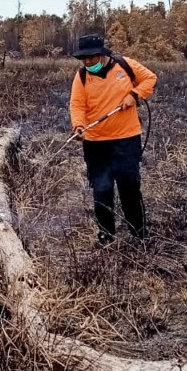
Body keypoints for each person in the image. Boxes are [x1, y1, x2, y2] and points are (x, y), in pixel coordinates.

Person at [69, 34, 157, 245]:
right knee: (101, 189)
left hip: (126, 140)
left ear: (102, 53)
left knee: (129, 186)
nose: (87, 62)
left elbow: (150, 79)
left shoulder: (125, 65)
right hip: (95, 142)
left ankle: (139, 235)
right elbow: (77, 104)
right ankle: (106, 236)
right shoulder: (81, 76)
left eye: (91, 57)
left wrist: (134, 95)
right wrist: (79, 126)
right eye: (84, 58)